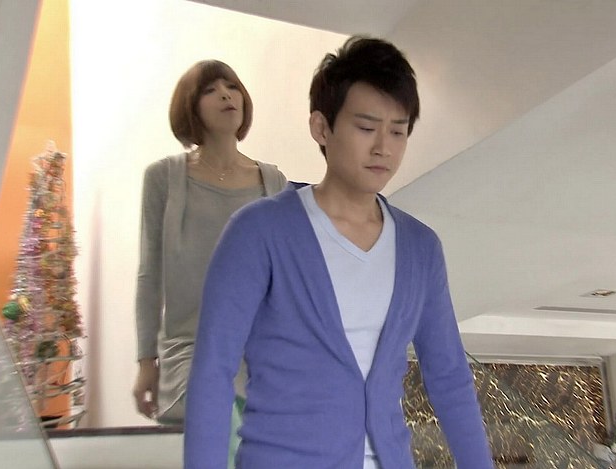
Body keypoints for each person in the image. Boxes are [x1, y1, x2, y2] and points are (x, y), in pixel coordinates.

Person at [184, 36, 494, 468]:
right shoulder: (259, 231)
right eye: (366, 128)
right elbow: (213, 372)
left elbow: (450, 379)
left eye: (398, 131)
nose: (384, 147)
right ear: (321, 127)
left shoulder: (421, 248)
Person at [132, 59, 287, 427]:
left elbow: (287, 277)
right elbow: (150, 275)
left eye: (231, 87)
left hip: (262, 353)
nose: (225, 95)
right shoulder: (163, 178)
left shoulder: (274, 182)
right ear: (191, 106)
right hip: (190, 350)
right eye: (210, 89)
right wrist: (146, 362)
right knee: (215, 414)